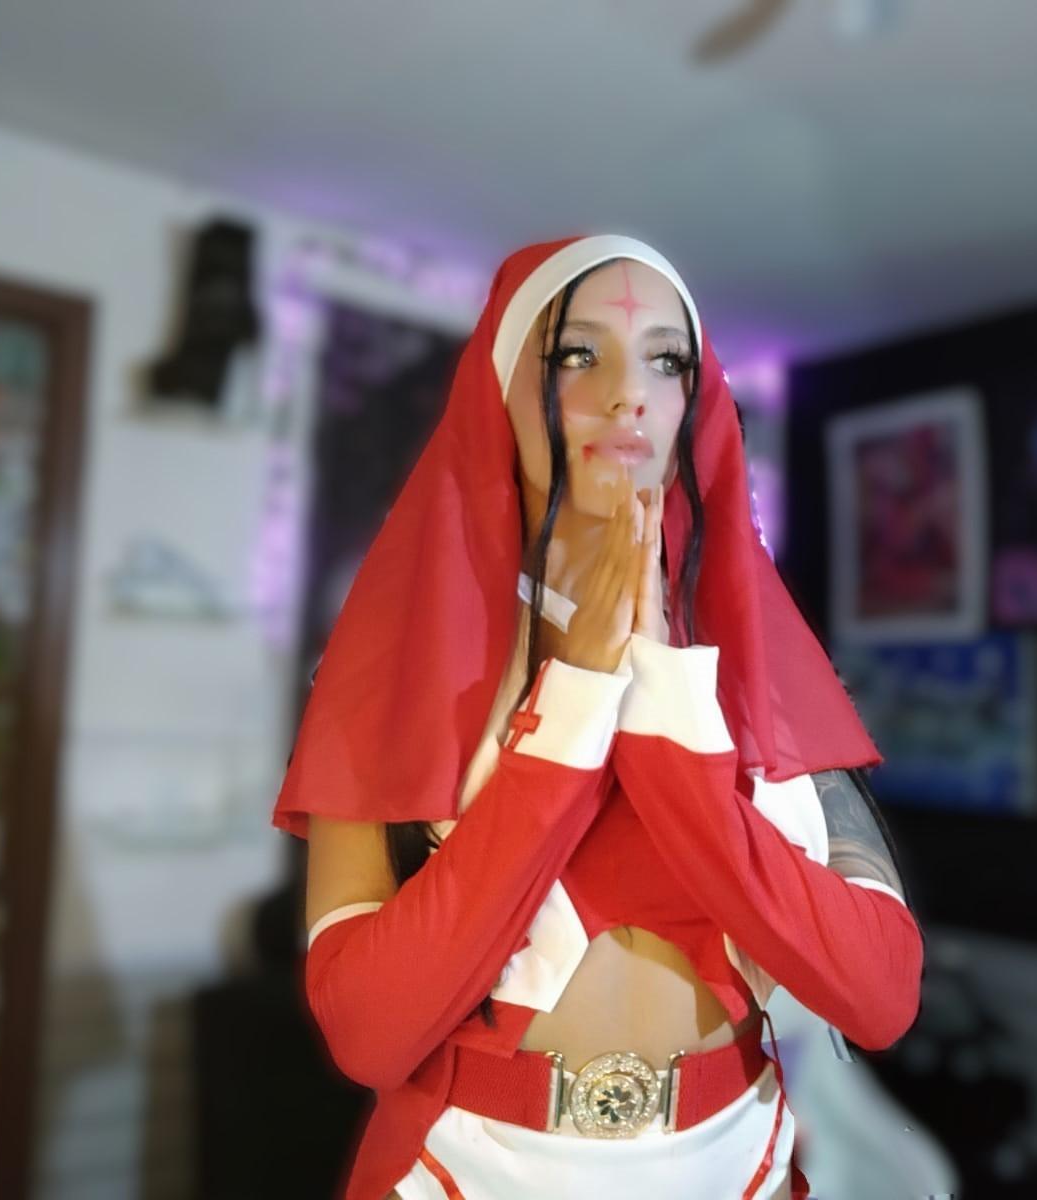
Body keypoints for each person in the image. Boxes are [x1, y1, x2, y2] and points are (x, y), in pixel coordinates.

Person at [272, 234, 923, 1199]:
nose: (629, 396)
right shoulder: (391, 666)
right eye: (578, 354)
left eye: (668, 360)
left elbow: (879, 996)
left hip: (735, 1166)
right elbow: (368, 1033)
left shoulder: (768, 669)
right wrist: (573, 702)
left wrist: (670, 729)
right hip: (463, 1172)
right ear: (501, 387)